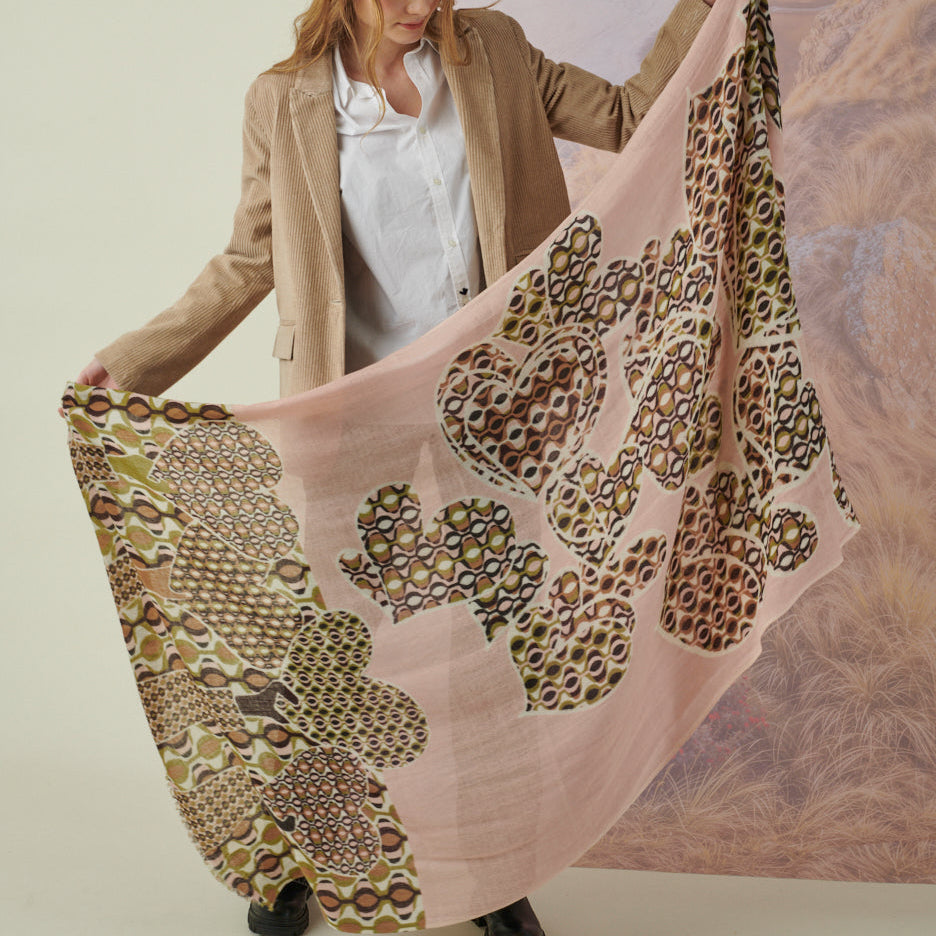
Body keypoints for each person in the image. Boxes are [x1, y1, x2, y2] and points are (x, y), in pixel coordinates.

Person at [76, 1, 716, 933]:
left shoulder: (492, 49)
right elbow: (250, 259)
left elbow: (628, 117)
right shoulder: (285, 100)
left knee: (486, 650)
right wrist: (133, 363)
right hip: (353, 410)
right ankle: (297, 863)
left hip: (494, 412)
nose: (423, 6)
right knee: (329, 653)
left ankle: (494, 876)